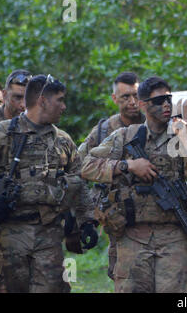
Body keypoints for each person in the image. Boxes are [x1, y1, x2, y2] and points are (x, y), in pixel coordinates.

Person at [81, 76, 187, 293]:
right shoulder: (126, 136)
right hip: (133, 235)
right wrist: (127, 166)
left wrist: (185, 140)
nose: (166, 105)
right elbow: (85, 165)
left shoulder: (183, 136)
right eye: (159, 101)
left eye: (168, 99)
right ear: (143, 105)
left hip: (173, 235)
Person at [0, 74, 97, 292]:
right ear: (43, 100)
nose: (64, 106)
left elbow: (79, 183)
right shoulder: (4, 134)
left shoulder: (62, 140)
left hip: (49, 234)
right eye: (59, 100)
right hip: (10, 235)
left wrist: (87, 221)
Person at [78, 72, 145, 280]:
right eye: (125, 97)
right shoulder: (104, 130)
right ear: (114, 99)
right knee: (123, 278)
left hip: (154, 212)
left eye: (136, 95)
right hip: (119, 220)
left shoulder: (153, 124)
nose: (133, 102)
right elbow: (79, 164)